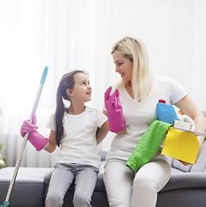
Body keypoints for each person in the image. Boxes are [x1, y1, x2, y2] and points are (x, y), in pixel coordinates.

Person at [103, 36, 206, 207]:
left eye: (119, 63)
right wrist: (112, 115)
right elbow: (119, 131)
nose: (116, 69)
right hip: (120, 157)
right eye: (114, 64)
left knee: (144, 182)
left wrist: (195, 145)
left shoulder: (166, 85)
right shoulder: (114, 91)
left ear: (136, 60)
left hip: (155, 159)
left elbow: (197, 115)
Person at [20, 70, 109, 207]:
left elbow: (106, 127)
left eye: (89, 83)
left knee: (81, 198)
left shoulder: (95, 115)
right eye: (83, 83)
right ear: (70, 92)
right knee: (53, 197)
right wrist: (32, 135)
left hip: (88, 166)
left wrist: (93, 142)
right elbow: (51, 146)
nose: (89, 86)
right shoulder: (58, 116)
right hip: (64, 164)